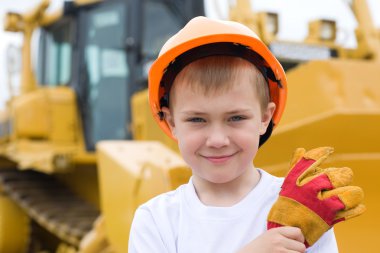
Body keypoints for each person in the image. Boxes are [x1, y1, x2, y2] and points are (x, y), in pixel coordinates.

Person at [129, 16, 338, 253]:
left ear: (264, 118)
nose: (218, 140)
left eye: (236, 118)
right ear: (172, 122)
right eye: (197, 120)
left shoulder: (303, 207)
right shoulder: (156, 221)